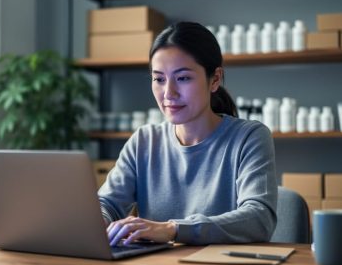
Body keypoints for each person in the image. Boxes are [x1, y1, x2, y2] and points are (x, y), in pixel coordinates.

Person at [98, 21, 277, 246]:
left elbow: (259, 219)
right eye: (159, 79)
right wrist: (99, 221)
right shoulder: (144, 141)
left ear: (215, 79)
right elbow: (107, 203)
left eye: (183, 78)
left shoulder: (250, 137)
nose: (168, 93)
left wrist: (174, 229)